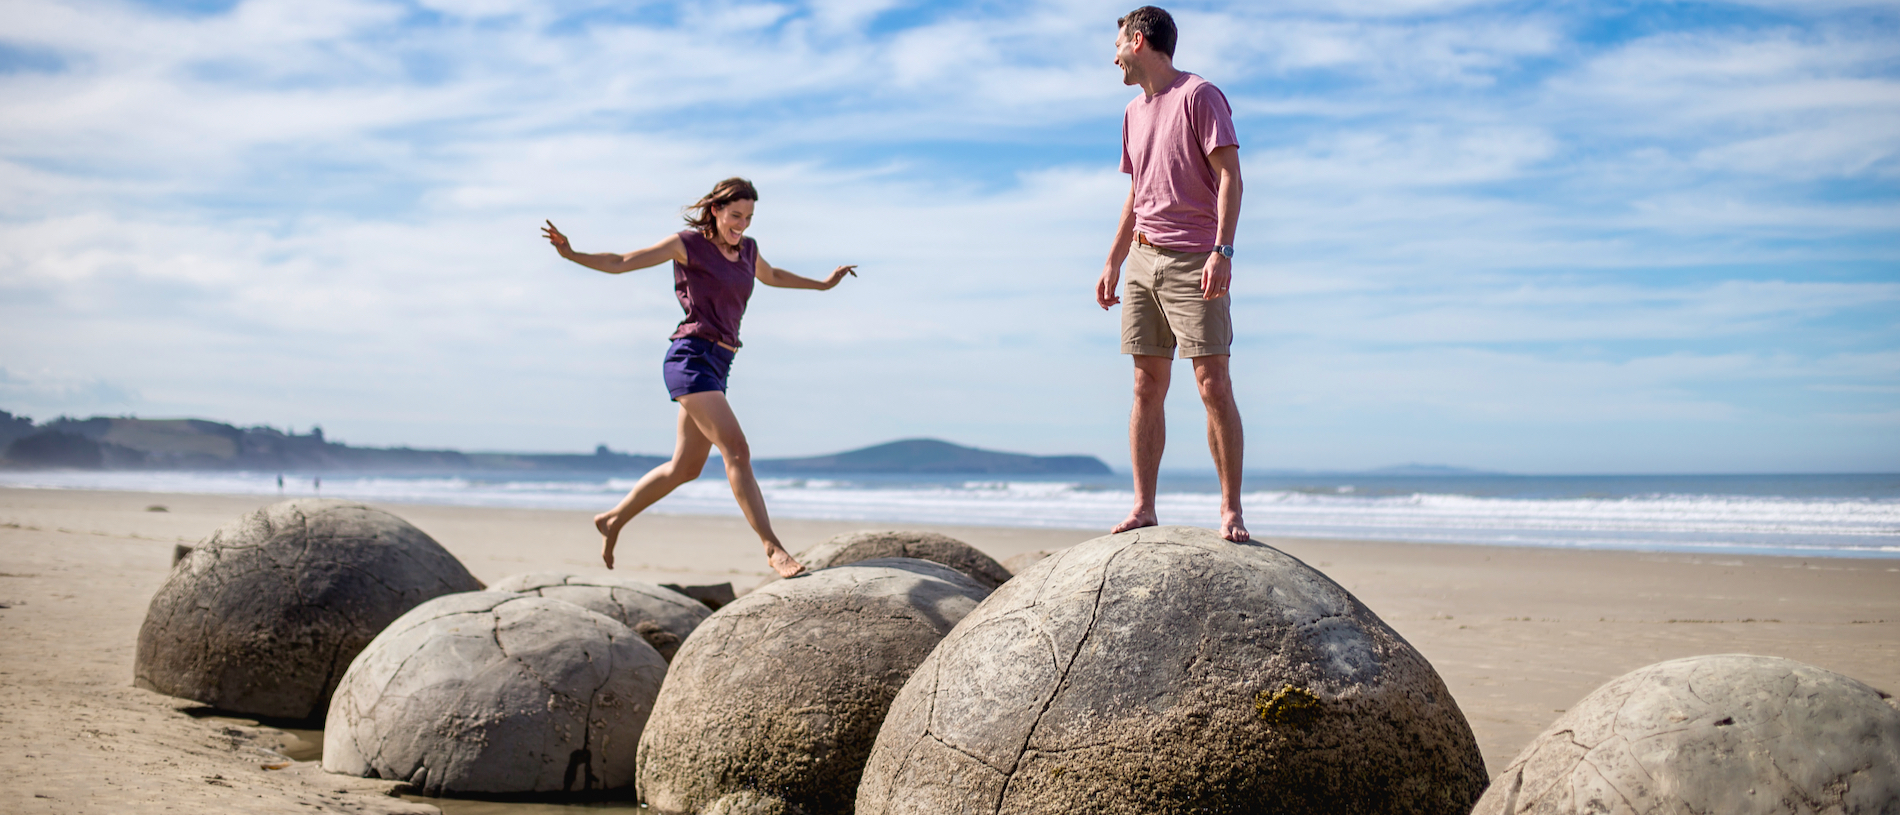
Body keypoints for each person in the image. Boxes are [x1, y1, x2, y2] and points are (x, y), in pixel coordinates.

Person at [542, 178, 856, 577]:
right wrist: (571, 253)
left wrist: (824, 285)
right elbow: (621, 262)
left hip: (720, 364)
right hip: (691, 357)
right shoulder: (687, 244)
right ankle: (772, 548)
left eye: (749, 217)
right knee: (737, 450)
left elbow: (772, 275)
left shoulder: (749, 250)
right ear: (716, 211)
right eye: (735, 215)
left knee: (685, 468)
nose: (741, 224)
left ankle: (613, 519)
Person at [1095, 6, 1249, 542]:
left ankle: (1230, 510)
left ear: (1138, 41)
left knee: (1212, 385)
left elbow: (1230, 176)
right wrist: (1114, 259)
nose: (1113, 56)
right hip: (1142, 260)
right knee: (1145, 386)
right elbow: (1136, 193)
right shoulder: (1132, 113)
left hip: (1195, 260)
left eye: (1117, 44)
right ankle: (1143, 507)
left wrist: (1222, 250)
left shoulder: (1199, 96)